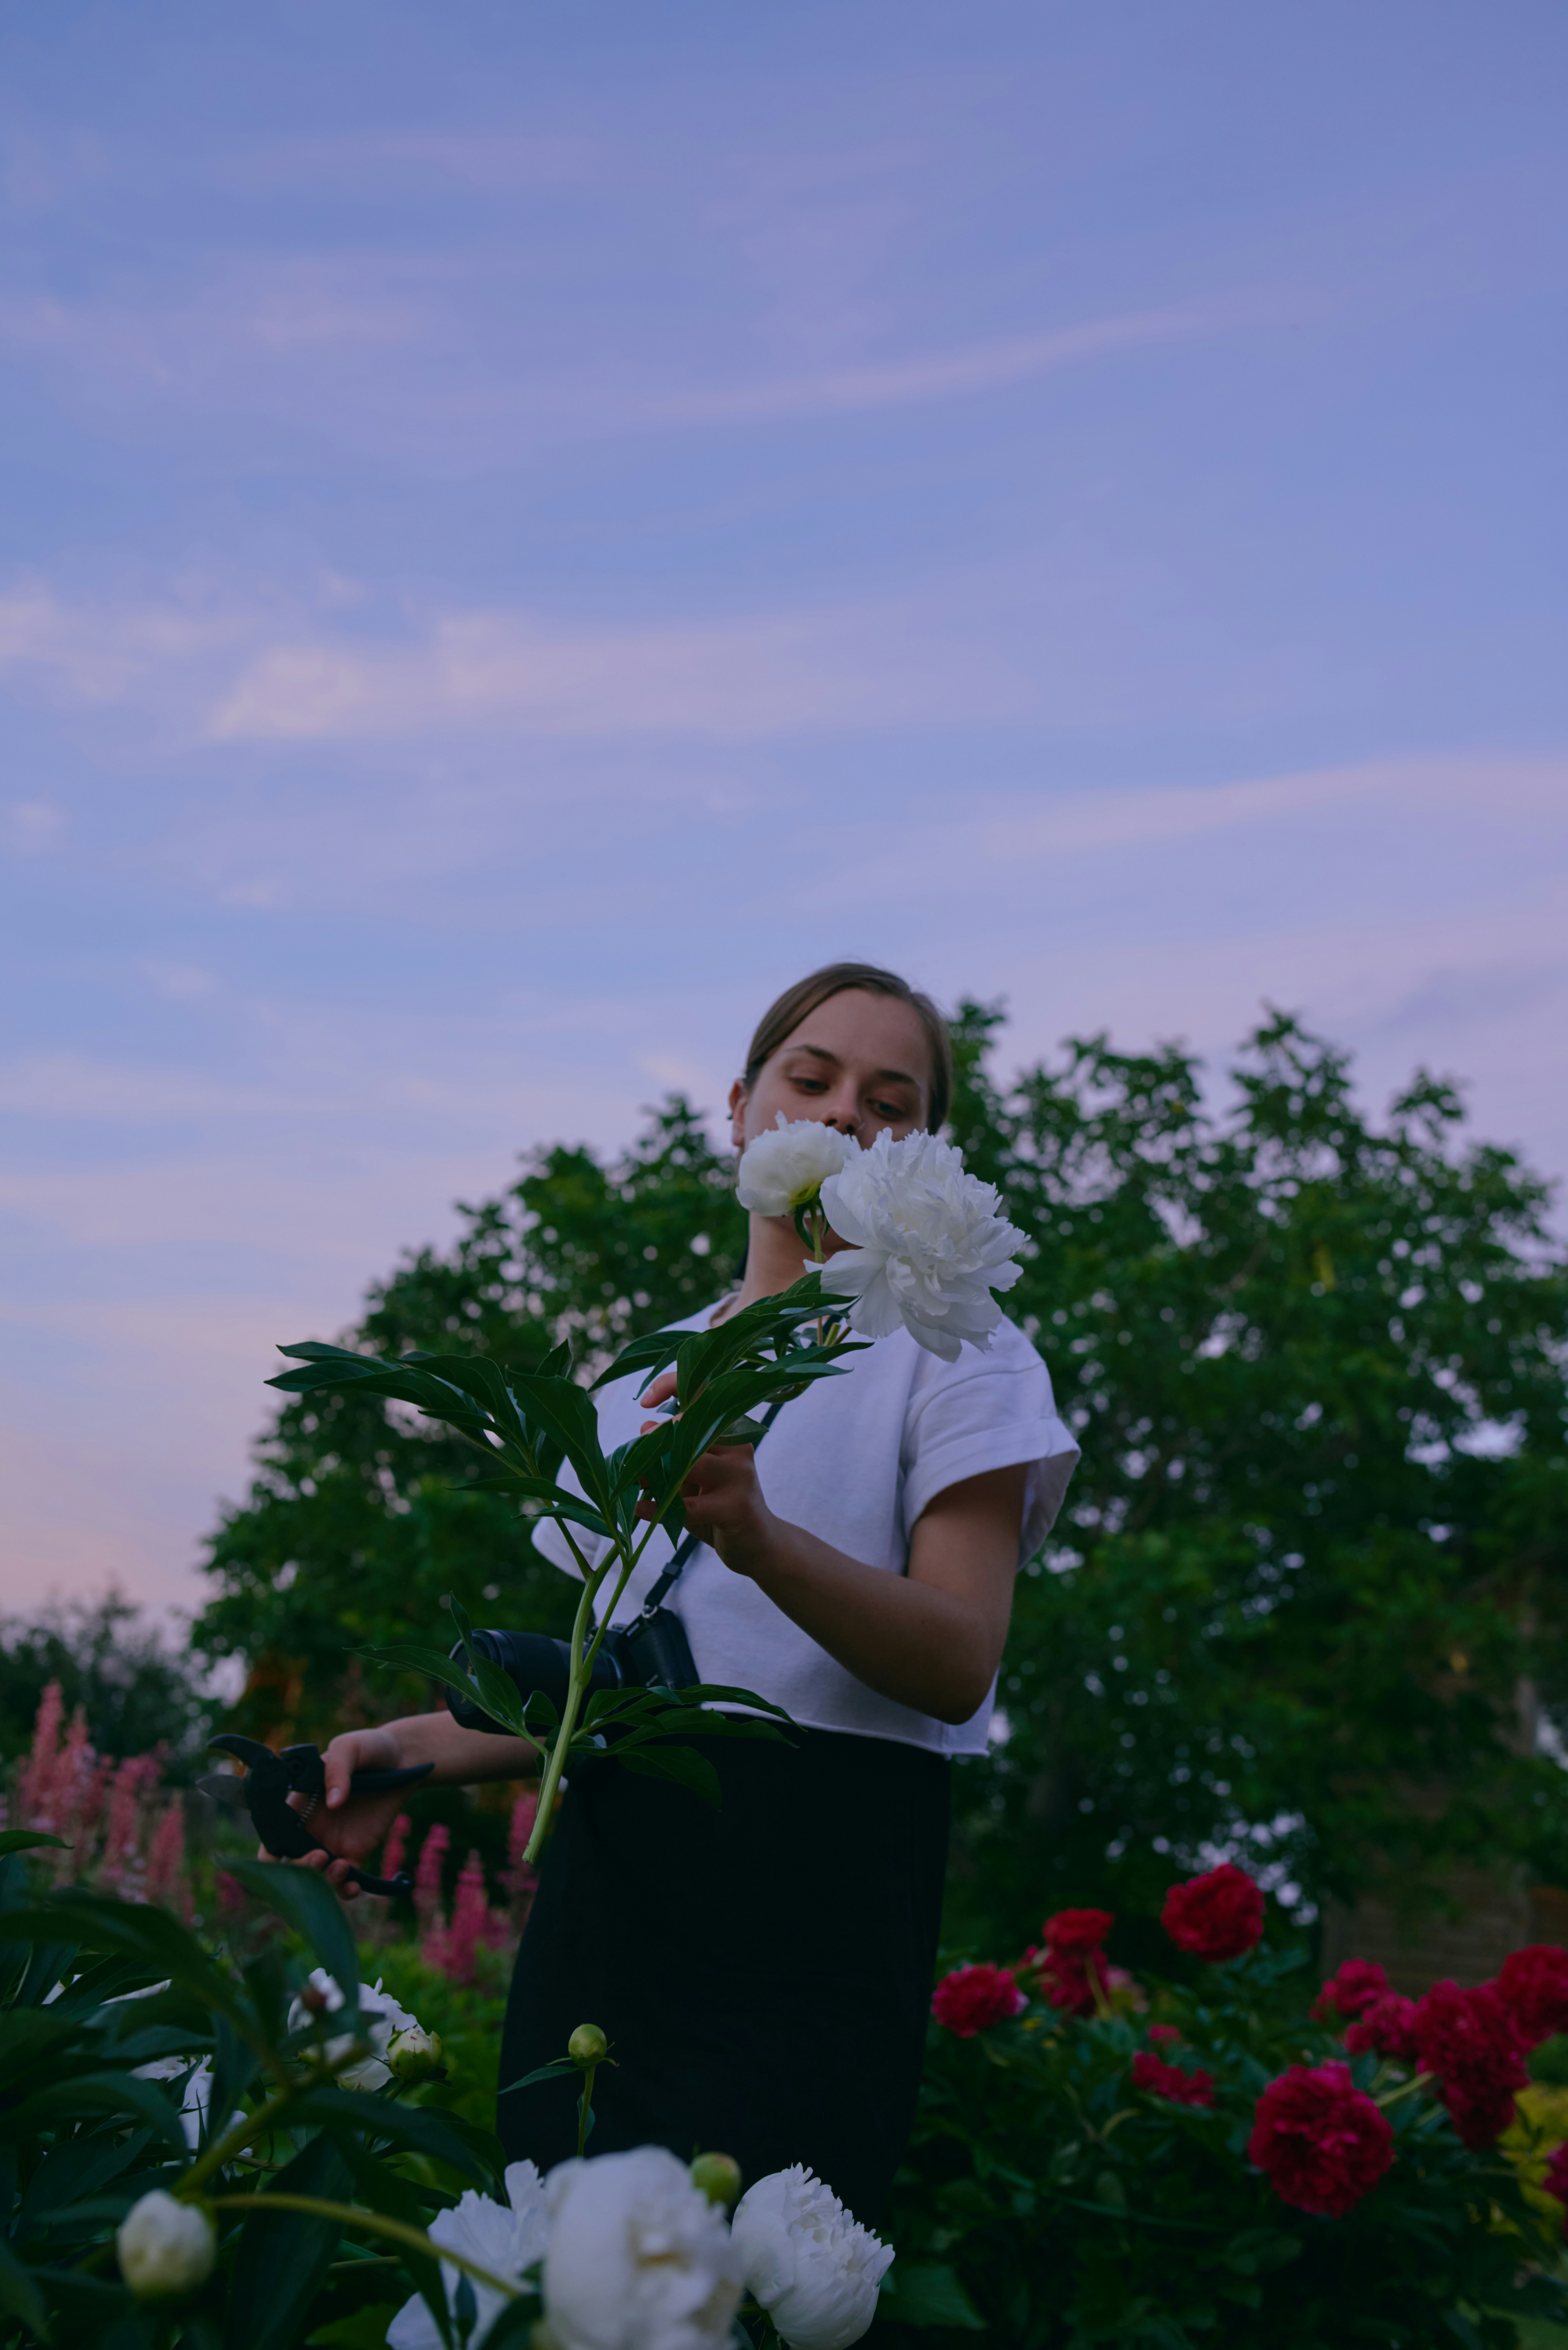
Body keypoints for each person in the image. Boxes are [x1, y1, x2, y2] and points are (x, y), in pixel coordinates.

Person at [292, 962, 1079, 2221]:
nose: (840, 1119)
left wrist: (762, 1536)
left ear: (929, 1150)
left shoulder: (960, 1348)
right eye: (808, 1079)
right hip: (612, 1911)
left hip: (816, 1912)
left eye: (890, 1101)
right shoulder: (635, 1382)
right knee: (552, 2266)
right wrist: (396, 1757)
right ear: (739, 1107)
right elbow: (622, 1685)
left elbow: (958, 1657)